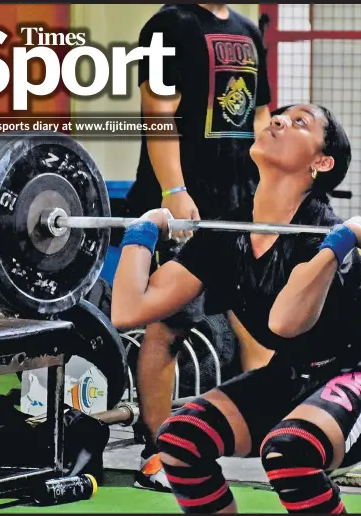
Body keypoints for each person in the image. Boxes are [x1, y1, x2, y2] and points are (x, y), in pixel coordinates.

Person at [112, 104, 361, 513]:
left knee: (291, 451)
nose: (277, 120)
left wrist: (339, 242)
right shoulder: (228, 233)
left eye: (299, 122)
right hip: (291, 375)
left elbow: (285, 321)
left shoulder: (321, 232)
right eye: (280, 116)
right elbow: (130, 310)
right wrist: (142, 232)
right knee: (181, 440)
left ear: (321, 162)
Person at [123, 3, 274, 490]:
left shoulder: (248, 30)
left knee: (258, 325)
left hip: (239, 202)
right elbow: (158, 108)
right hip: (183, 201)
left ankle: (274, 441)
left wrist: (270, 189)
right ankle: (158, 451)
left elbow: (260, 115)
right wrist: (173, 190)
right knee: (170, 326)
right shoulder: (170, 25)